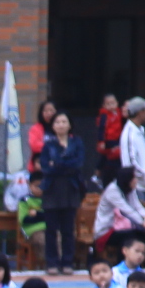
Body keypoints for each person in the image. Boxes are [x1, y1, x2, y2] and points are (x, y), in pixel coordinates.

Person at [34, 112, 86, 272]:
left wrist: (57, 163)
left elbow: (77, 164)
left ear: (69, 125)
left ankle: (67, 262)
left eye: (64, 121)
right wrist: (63, 164)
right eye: (57, 122)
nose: (61, 125)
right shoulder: (48, 145)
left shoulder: (76, 142)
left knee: (68, 230)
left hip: (70, 188)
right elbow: (45, 167)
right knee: (51, 230)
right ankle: (52, 263)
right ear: (53, 126)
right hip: (52, 189)